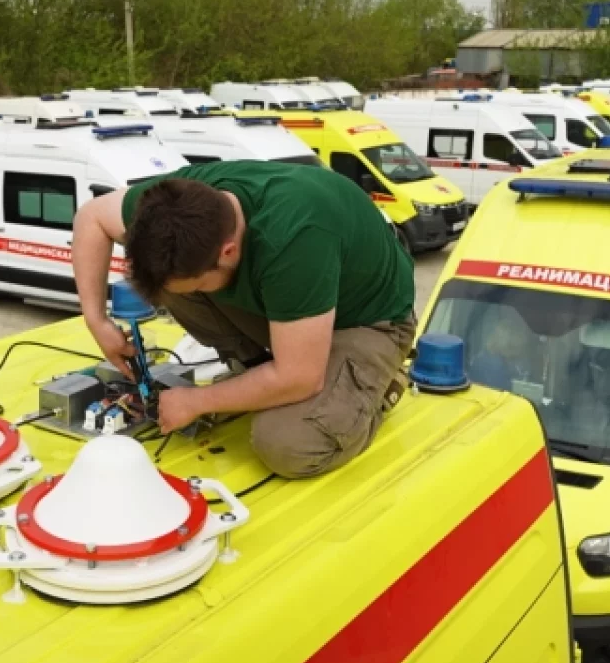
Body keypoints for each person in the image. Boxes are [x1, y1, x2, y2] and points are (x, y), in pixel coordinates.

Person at [71, 160, 416, 479]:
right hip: (296, 307)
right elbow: (92, 218)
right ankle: (256, 368)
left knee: (288, 444)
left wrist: (197, 401)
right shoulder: (178, 204)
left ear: (228, 251)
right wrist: (97, 322)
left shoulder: (293, 240)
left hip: (367, 321)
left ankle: (375, 390)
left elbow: (300, 377)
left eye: (200, 286)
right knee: (172, 283)